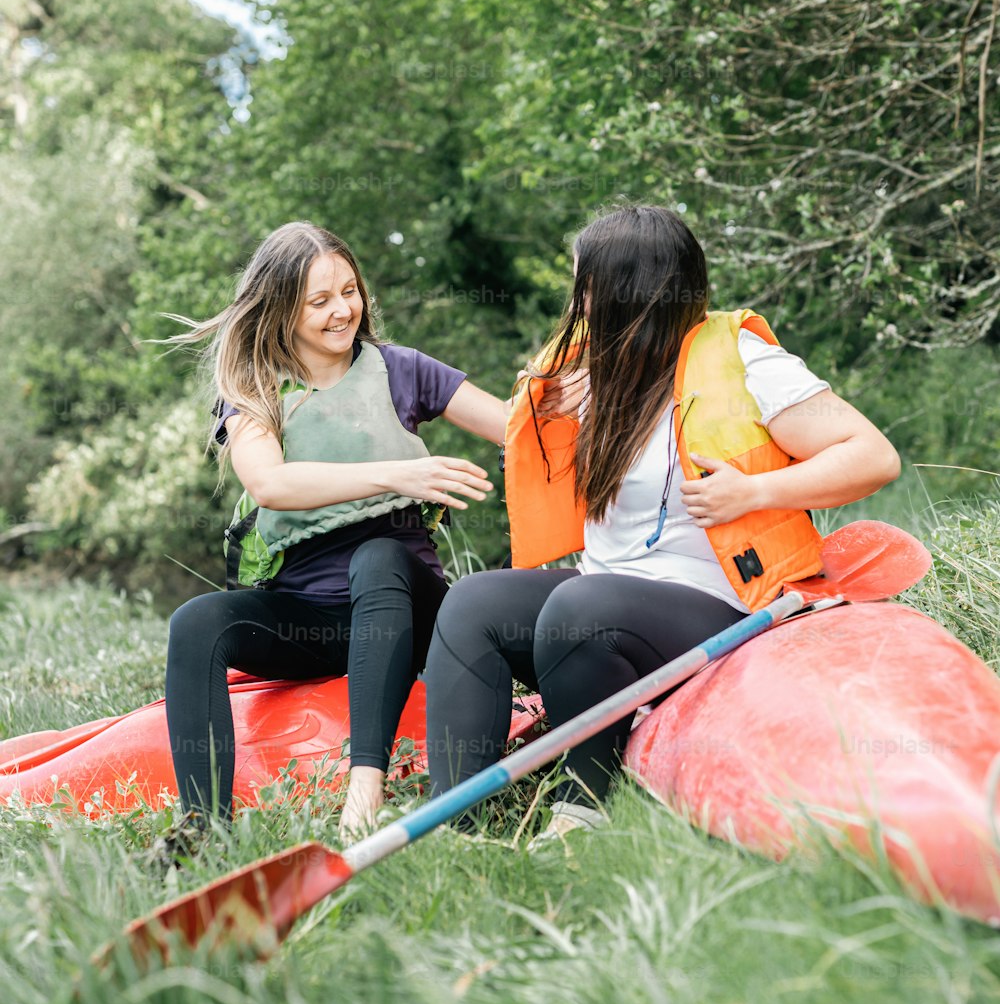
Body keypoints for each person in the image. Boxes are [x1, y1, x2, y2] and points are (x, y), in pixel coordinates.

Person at [424, 204, 901, 840]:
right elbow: (525, 437)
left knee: (579, 604)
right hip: (594, 624)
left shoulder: (746, 361)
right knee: (472, 602)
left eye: (585, 286)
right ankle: (456, 824)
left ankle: (582, 805)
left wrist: (756, 491)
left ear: (626, 293)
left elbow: (874, 457)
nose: (580, 303)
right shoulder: (596, 371)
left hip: (721, 614)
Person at [164, 221, 509, 838]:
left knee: (377, 555)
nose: (342, 310)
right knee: (194, 622)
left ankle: (364, 790)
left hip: (408, 609)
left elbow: (517, 428)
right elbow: (271, 484)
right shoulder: (255, 393)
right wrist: (400, 473)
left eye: (349, 291)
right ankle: (201, 829)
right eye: (319, 301)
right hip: (312, 617)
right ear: (280, 309)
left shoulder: (401, 370)